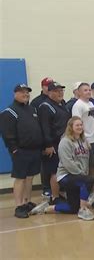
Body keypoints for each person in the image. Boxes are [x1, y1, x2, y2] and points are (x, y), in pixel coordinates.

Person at [30, 117, 94, 221]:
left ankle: (46, 208)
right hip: (65, 175)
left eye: (81, 125)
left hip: (78, 175)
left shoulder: (84, 141)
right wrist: (81, 175)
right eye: (77, 125)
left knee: (73, 208)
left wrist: (83, 174)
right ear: (71, 127)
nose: (80, 127)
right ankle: (83, 209)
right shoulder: (65, 142)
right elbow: (67, 163)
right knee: (86, 181)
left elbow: (85, 160)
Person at [0, 84, 44, 218]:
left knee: (30, 178)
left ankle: (27, 201)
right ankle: (19, 206)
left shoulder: (31, 109)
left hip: (34, 150)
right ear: (15, 94)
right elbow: (7, 133)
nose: (25, 94)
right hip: (20, 151)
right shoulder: (9, 112)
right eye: (22, 92)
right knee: (20, 178)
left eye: (27, 92)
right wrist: (13, 149)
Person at [38, 82, 69, 204]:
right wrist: (48, 145)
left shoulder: (62, 104)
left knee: (63, 169)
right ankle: (55, 197)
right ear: (50, 93)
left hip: (64, 144)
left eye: (61, 90)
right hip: (54, 145)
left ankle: (61, 193)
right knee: (54, 171)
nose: (60, 93)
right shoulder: (45, 106)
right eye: (57, 91)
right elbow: (44, 128)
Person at [71, 82, 94, 175]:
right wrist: (83, 140)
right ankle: (88, 188)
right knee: (87, 166)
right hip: (86, 140)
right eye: (85, 90)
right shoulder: (78, 105)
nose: (88, 92)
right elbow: (76, 124)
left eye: (89, 90)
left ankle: (93, 187)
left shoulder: (91, 103)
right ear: (79, 92)